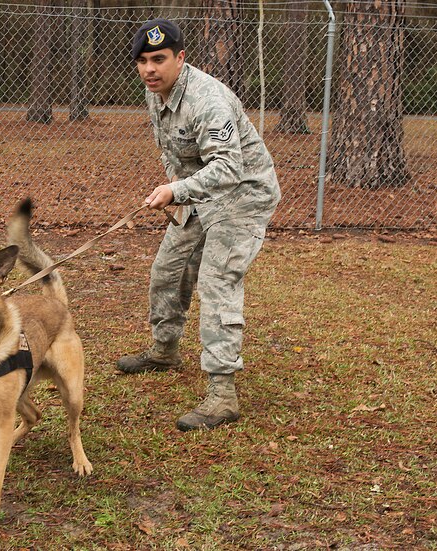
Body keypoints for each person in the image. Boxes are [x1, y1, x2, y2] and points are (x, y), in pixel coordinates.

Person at [117, 18, 281, 432]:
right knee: (167, 271)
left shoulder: (208, 99)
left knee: (216, 281)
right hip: (199, 195)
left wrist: (177, 191)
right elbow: (175, 151)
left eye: (159, 59)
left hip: (243, 195)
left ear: (180, 58)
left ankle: (223, 394)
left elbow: (229, 167)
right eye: (142, 61)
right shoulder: (157, 93)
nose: (149, 69)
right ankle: (164, 351)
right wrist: (178, 193)